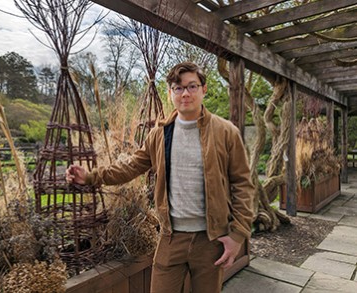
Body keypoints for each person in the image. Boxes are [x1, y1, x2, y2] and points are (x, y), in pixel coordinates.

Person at [66, 61, 254, 293]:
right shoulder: (159, 134)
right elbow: (131, 166)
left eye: (192, 86)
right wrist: (92, 177)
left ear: (204, 89)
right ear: (170, 93)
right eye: (178, 88)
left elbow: (243, 186)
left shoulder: (226, 132)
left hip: (211, 240)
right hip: (170, 238)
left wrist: (237, 235)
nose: (185, 93)